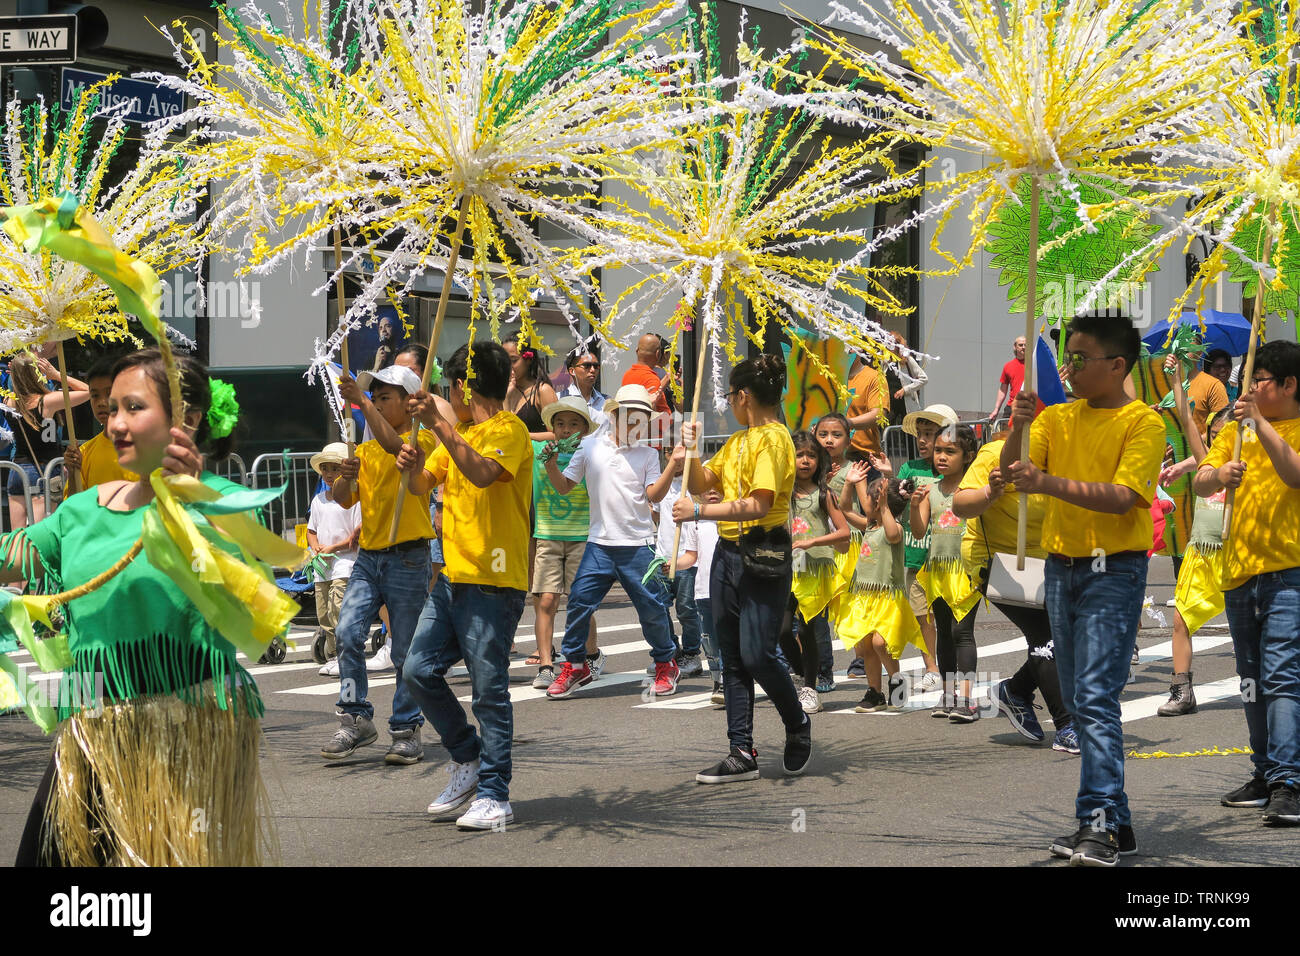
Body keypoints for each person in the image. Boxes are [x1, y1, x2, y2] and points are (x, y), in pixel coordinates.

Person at [11, 349, 276, 865]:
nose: (115, 424)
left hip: (184, 741)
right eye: (111, 410)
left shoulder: (219, 509)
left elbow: (256, 615)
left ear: (189, 421)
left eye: (133, 408)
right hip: (90, 730)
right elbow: (11, 557)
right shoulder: (85, 508)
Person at [1003, 313, 1165, 866]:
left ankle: (1095, 824)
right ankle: (1116, 823)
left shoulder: (1144, 423)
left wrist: (1046, 483)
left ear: (1117, 365)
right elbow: (1012, 472)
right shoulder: (1057, 418)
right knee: (1079, 700)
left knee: (1094, 699)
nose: (1068, 368)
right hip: (1060, 567)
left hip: (1112, 572)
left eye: (1079, 359)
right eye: (1066, 357)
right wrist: (1017, 427)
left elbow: (1124, 497)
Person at [400, 341, 533, 830]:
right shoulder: (459, 432)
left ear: (461, 387)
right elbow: (420, 485)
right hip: (453, 576)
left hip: (494, 580)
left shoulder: (509, 429)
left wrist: (440, 427)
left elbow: (480, 474)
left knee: (488, 690)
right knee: (416, 670)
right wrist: (412, 460)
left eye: (447, 388)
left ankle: (496, 794)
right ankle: (467, 757)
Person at [676, 356, 810, 782]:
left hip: (763, 555)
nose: (730, 403)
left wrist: (698, 512)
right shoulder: (738, 441)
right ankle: (741, 750)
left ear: (744, 396)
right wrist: (692, 452)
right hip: (727, 555)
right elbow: (701, 484)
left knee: (757, 654)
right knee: (731, 658)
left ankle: (797, 722)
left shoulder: (773, 440)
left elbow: (759, 504)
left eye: (731, 396)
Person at [1195, 340, 1300, 826]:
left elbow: (1294, 475)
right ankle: (1264, 773)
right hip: (1238, 571)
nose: (1248, 388)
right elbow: (1200, 479)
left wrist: (1259, 424)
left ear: (1288, 385)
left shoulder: (1280, 427)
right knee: (1253, 681)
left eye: (1258, 380)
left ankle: (1288, 781)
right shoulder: (1236, 432)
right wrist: (1221, 472)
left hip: (1288, 573)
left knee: (1282, 678)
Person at [323, 363, 437, 764]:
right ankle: (355, 718)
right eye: (374, 397)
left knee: (405, 649)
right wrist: (345, 476)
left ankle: (406, 728)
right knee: (347, 633)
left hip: (409, 557)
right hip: (370, 558)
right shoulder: (366, 448)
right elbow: (342, 497)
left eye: (383, 397)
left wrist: (359, 402)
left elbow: (396, 449)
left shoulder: (420, 442)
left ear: (409, 404)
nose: (375, 403)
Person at [544, 384, 680, 699]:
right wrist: (550, 463)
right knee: (578, 602)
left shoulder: (648, 454)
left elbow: (653, 497)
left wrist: (673, 465)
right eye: (629, 417)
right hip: (599, 544)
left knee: (652, 608)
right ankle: (576, 665)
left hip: (638, 544)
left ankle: (666, 663)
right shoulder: (589, 447)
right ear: (614, 415)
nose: (635, 425)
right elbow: (564, 486)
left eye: (642, 419)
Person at [952, 426, 1078, 755]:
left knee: (1070, 638)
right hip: (996, 564)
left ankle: (1015, 690)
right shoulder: (994, 455)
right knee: (1045, 637)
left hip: (1046, 563)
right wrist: (989, 494)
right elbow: (961, 505)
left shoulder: (1070, 460)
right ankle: (1066, 725)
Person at [1156, 396, 1232, 716]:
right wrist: (1178, 385)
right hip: (1200, 554)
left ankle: (1271, 688)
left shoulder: (1247, 467)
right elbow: (1189, 423)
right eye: (1213, 436)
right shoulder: (1208, 466)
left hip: (1236, 556)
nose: (1215, 441)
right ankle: (1182, 691)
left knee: (1257, 628)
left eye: (1223, 435)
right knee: (1181, 621)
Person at [530, 396, 602, 689]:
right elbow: (516, 433)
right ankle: (546, 665)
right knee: (546, 600)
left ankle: (591, 655)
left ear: (585, 429)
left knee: (580, 603)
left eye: (574, 424)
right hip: (546, 535)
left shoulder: (590, 453)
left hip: (581, 536)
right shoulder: (538, 450)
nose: (565, 429)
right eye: (559, 424)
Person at [912, 424, 983, 721]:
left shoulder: (974, 489)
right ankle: (948, 693)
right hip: (938, 569)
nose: (941, 456)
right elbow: (918, 532)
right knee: (943, 632)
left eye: (950, 452)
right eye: (939, 450)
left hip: (966, 570)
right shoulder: (930, 490)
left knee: (961, 632)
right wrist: (915, 506)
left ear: (967, 456)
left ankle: (966, 699)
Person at [783, 431, 851, 714]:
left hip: (815, 570)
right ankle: (802, 671)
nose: (806, 461)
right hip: (787, 569)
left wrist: (813, 541)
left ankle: (810, 688)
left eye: (811, 455)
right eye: (800, 455)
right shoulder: (780, 494)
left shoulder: (824, 494)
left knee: (809, 631)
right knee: (782, 630)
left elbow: (845, 534)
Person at [5, 353, 89, 528]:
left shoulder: (10, 401)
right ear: (36, 374)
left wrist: (16, 373)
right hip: (43, 469)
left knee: (16, 536)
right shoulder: (47, 402)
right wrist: (57, 375)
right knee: (39, 533)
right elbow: (87, 391)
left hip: (18, 470)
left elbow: (15, 389)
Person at [306, 442, 361, 667]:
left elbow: (355, 537)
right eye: (325, 469)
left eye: (335, 468)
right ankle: (333, 653)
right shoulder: (318, 500)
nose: (329, 474)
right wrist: (316, 546)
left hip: (345, 563)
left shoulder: (353, 499)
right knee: (324, 615)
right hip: (322, 567)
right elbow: (311, 530)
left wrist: (333, 548)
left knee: (338, 609)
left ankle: (344, 655)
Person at [651, 462, 703, 676]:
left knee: (687, 609)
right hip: (662, 556)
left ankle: (692, 654)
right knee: (658, 608)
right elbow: (655, 513)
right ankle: (671, 652)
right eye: (670, 451)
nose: (676, 459)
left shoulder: (695, 485)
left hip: (687, 558)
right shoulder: (661, 484)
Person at [61, 354, 132, 489]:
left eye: (109, 393)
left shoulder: (146, 449)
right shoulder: (84, 453)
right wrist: (72, 472)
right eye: (95, 395)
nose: (101, 402)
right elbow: (75, 505)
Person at [694, 488, 723, 706]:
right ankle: (716, 679)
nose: (712, 490)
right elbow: (690, 556)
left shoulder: (733, 520)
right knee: (710, 641)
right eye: (707, 486)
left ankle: (727, 681)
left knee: (728, 638)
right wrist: (671, 565)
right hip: (702, 589)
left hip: (727, 589)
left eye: (718, 485)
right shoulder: (694, 521)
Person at [503, 332, 558, 441]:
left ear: (528, 359)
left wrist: (524, 435)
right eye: (503, 360)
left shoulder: (542, 391)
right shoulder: (503, 391)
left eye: (513, 360)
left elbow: (558, 435)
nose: (507, 366)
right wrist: (506, 397)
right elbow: (503, 430)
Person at [846, 353, 890, 459]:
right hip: (830, 456)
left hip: (863, 457)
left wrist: (845, 423)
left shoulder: (874, 377)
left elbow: (878, 415)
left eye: (850, 344)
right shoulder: (828, 375)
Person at [1186, 342, 1230, 441]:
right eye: (1179, 344)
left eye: (1188, 345)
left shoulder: (1214, 385)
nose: (1183, 348)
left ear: (1200, 352)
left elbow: (1223, 427)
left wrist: (1192, 444)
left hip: (1202, 454)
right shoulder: (1168, 383)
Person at [560, 344, 609, 433]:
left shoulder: (607, 401)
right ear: (572, 371)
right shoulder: (559, 399)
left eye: (596, 366)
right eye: (587, 366)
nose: (592, 370)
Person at [621, 333, 672, 415]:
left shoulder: (627, 375)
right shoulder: (652, 379)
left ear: (637, 351)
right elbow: (661, 420)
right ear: (658, 353)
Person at [884, 331, 928, 422]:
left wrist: (905, 390)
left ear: (897, 346)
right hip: (889, 405)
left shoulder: (907, 360)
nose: (888, 347)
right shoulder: (885, 361)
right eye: (887, 343)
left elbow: (924, 379)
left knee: (906, 431)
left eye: (890, 344)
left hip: (905, 405)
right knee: (888, 432)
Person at [991, 336, 1027, 422]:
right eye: (1021, 345)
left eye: (1026, 345)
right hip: (1012, 407)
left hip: (1028, 407)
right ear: (1015, 347)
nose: (1023, 347)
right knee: (1006, 434)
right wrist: (996, 410)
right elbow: (1003, 390)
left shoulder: (1035, 364)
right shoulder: (1008, 366)